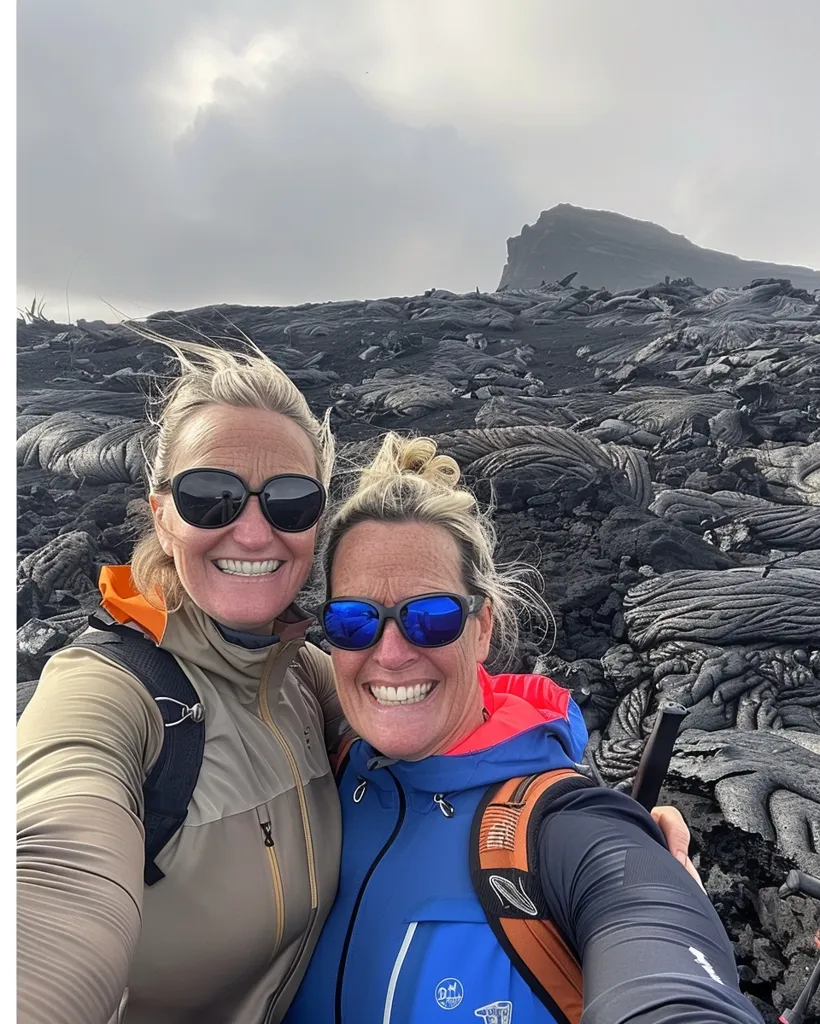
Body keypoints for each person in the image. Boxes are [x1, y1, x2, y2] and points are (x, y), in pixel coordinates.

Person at [17, 340, 698, 1024]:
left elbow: (640, 931)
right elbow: (54, 874)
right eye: (210, 497)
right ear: (162, 514)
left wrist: (622, 835)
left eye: (288, 501)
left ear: (483, 628)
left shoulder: (305, 682)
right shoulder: (108, 692)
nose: (253, 532)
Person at [284, 433, 765, 1024]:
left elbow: (650, 938)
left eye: (431, 618)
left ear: (483, 629)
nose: (389, 653)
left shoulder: (564, 829)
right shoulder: (318, 767)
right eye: (354, 620)